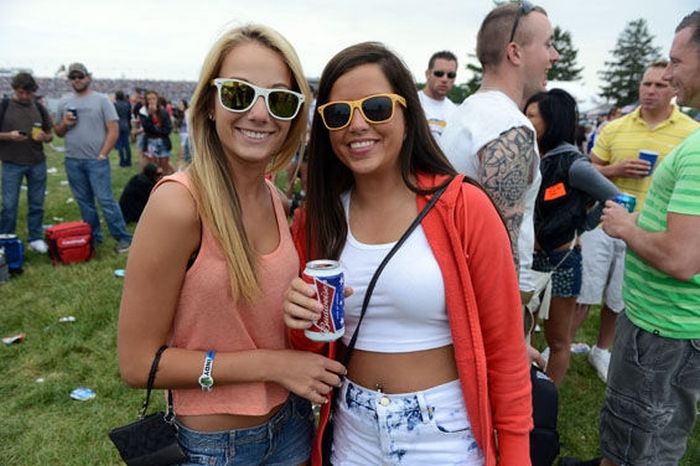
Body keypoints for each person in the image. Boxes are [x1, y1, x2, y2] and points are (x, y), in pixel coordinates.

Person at [284, 41, 531, 466]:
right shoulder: (318, 217)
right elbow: (310, 352)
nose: (357, 125)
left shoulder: (463, 207)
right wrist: (297, 319)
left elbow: (506, 351)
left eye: (376, 107)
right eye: (339, 114)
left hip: (444, 433)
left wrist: (516, 455)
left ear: (406, 110)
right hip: (353, 429)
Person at [117, 24, 345, 465]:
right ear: (208, 105)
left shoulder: (277, 200)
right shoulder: (178, 205)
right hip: (213, 449)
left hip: (293, 428)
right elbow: (138, 363)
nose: (260, 114)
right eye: (239, 94)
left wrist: (304, 312)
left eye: (279, 100)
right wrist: (273, 365)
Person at [574, 11, 700, 466]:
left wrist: (627, 228)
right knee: (651, 436)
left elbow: (683, 258)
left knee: (637, 447)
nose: (666, 76)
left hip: (662, 329)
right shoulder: (621, 128)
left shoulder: (696, 144)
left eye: (675, 63)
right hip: (668, 324)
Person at [440, 2, 559, 365]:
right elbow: (498, 245)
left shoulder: (467, 114)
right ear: (515, 52)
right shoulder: (509, 129)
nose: (554, 56)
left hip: (457, 296)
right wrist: (507, 339)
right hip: (483, 309)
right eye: (548, 44)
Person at [571, 60, 699, 383]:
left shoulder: (691, 133)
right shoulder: (614, 127)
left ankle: (602, 349)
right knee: (586, 290)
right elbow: (588, 169)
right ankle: (564, 343)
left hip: (653, 232)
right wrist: (616, 171)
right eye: (646, 84)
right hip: (606, 221)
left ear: (672, 90)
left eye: (659, 85)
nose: (651, 90)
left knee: (617, 297)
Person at [523, 89, 619, 386]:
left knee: (559, 339)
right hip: (528, 260)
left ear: (552, 120)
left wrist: (584, 225)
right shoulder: (531, 154)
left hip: (560, 262)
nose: (524, 121)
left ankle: (547, 403)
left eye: (531, 116)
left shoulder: (573, 163)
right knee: (522, 332)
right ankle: (524, 393)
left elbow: (615, 198)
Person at [54, 63, 132, 253]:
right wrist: (64, 124)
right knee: (84, 202)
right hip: (73, 160)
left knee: (105, 200)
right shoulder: (64, 102)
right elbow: (58, 132)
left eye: (80, 76)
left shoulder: (101, 100)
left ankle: (123, 238)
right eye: (73, 77)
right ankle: (93, 236)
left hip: (96, 161)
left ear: (88, 77)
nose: (77, 80)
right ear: (70, 80)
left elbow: (113, 130)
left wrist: (102, 154)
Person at [0, 72, 53, 254]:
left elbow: (50, 134)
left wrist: (45, 137)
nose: (24, 97)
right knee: (9, 204)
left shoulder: (38, 107)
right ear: (15, 90)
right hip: (11, 162)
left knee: (37, 203)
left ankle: (35, 237)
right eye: (21, 93)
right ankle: (6, 238)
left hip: (37, 161)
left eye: (28, 93)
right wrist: (9, 136)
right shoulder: (4, 105)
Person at [418, 50, 458, 138]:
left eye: (451, 75)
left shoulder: (456, 112)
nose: (445, 79)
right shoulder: (413, 102)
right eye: (439, 74)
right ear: (427, 74)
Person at [139, 90, 174, 174]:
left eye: (153, 98)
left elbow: (168, 129)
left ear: (157, 99)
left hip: (163, 141)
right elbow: (147, 128)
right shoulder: (143, 112)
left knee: (164, 166)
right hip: (151, 141)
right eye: (149, 99)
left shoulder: (163, 112)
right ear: (146, 101)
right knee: (153, 168)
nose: (151, 101)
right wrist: (151, 114)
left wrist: (157, 131)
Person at [114, 90, 132, 167]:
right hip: (126, 124)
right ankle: (128, 161)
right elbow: (129, 116)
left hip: (118, 125)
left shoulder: (115, 105)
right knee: (126, 144)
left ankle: (122, 161)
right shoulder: (127, 104)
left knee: (120, 145)